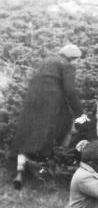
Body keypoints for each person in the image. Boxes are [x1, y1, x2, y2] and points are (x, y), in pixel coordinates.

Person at [12, 43, 86, 189]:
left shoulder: (47, 61)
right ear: (72, 57)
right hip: (51, 105)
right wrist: (79, 113)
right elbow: (70, 90)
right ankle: (46, 168)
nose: (77, 62)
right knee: (52, 133)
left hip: (32, 102)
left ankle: (20, 171)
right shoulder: (67, 66)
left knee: (26, 134)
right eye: (77, 59)